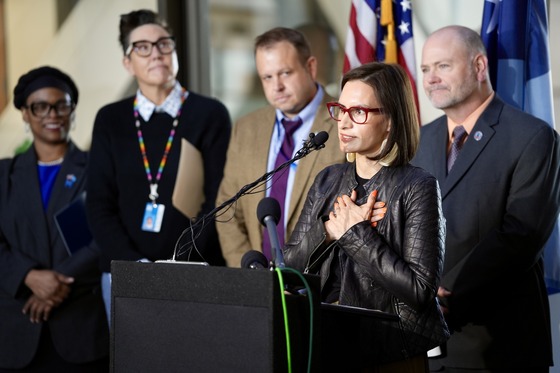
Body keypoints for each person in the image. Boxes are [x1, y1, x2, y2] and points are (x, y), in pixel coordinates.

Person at [284, 62, 449, 372]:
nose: (344, 123)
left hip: (391, 351)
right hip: (327, 342)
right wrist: (329, 232)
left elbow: (420, 291)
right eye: (340, 110)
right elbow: (289, 266)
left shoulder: (417, 186)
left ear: (389, 120)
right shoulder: (327, 180)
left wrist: (356, 232)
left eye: (358, 112)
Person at [413, 25, 560, 372]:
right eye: (425, 69)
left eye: (443, 66)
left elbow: (521, 234)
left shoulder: (532, 137)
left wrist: (447, 290)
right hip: (424, 347)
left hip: (498, 347)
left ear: (479, 67)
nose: (431, 78)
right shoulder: (419, 141)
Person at [86, 9, 231, 321]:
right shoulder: (110, 119)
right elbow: (99, 205)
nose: (156, 54)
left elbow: (218, 201)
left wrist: (176, 265)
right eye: (142, 47)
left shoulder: (209, 114)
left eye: (164, 44)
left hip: (192, 270)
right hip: (122, 273)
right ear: (128, 62)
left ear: (174, 51)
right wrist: (135, 266)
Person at [0, 66, 109, 371]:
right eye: (40, 106)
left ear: (73, 110)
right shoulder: (4, 174)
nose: (53, 114)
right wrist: (28, 276)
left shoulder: (97, 170)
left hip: (80, 330)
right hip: (15, 329)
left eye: (62, 104)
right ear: (24, 113)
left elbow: (103, 236)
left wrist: (54, 286)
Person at [216, 27, 345, 268]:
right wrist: (250, 274)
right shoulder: (245, 129)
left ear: (311, 67)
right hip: (256, 284)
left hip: (322, 287)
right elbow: (227, 210)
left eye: (285, 73)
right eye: (267, 77)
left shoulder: (343, 123)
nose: (277, 86)